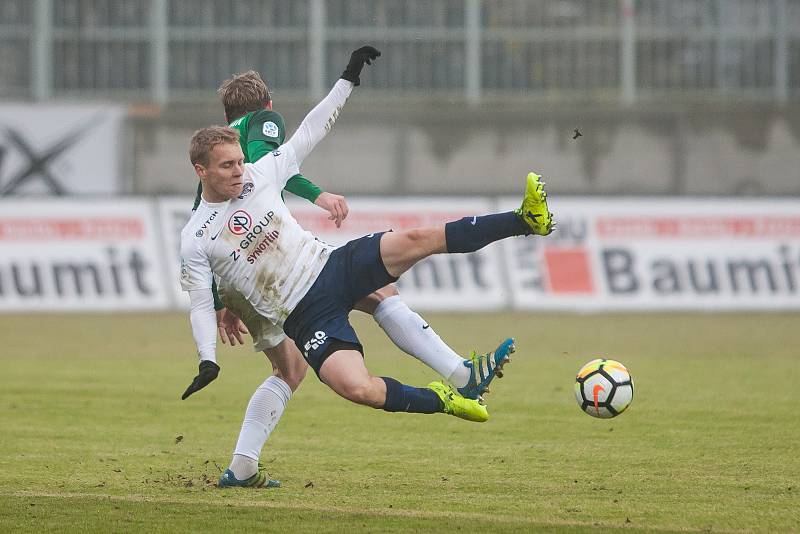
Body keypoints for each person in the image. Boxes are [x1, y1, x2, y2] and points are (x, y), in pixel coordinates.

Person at [185, 49, 518, 489]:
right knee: (303, 368)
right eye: (229, 165)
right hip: (266, 289)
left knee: (378, 290)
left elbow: (292, 149)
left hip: (291, 273)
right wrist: (212, 336)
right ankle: (457, 378)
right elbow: (288, 148)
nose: (239, 171)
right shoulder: (260, 131)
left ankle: (462, 370)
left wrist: (347, 80)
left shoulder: (243, 175)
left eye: (238, 163)